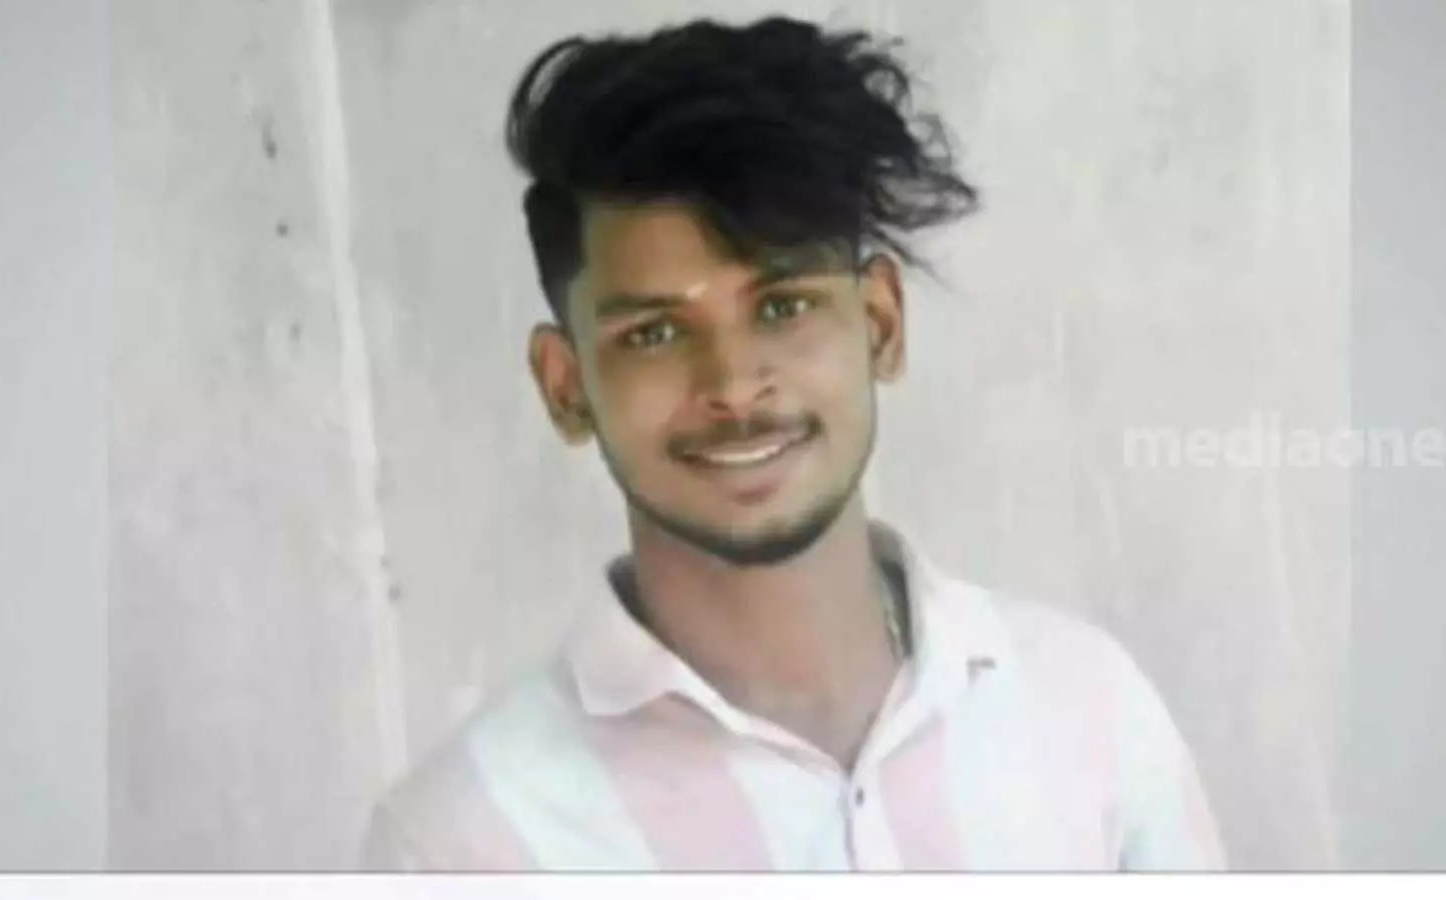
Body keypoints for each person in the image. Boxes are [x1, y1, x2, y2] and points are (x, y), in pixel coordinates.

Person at [361, 15, 1225, 872]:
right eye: (654, 333)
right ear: (566, 386)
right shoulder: (460, 844)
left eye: (783, 307)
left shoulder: (1086, 709)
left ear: (879, 324)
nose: (735, 384)